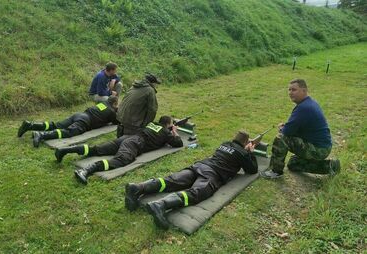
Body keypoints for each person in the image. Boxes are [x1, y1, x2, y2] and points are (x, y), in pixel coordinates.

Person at [125, 131, 258, 229]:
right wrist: (250, 152)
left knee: (171, 181)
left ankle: (138, 187)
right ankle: (161, 205)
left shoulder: (225, 144)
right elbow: (252, 170)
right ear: (246, 143)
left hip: (199, 166)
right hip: (212, 174)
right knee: (198, 192)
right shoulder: (243, 153)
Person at [55, 116, 183, 184]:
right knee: (122, 160)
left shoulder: (152, 123)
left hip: (127, 137)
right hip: (135, 143)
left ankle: (65, 150)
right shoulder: (166, 132)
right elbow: (178, 143)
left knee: (97, 149)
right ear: (168, 125)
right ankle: (87, 170)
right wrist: (174, 132)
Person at [261, 79, 340, 179]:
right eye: (289, 90)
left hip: (318, 149)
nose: (290, 93)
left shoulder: (304, 108)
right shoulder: (308, 103)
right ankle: (331, 166)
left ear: (304, 90)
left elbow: (287, 132)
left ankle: (275, 172)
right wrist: (286, 127)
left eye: (294, 90)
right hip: (323, 147)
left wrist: (282, 129)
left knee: (281, 138)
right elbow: (296, 126)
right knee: (293, 164)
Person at [17, 96, 119, 147]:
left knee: (55, 125)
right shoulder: (111, 111)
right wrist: (117, 110)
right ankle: (41, 135)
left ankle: (30, 125)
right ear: (114, 103)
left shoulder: (103, 103)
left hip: (79, 115)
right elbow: (116, 122)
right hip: (86, 121)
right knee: (69, 132)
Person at [116, 73, 160, 137]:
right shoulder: (150, 90)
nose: (156, 86)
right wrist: (145, 125)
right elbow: (152, 110)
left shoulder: (134, 86)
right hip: (132, 122)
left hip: (121, 118)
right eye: (156, 84)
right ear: (153, 83)